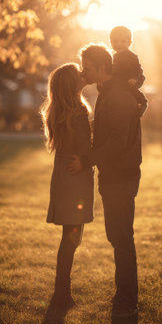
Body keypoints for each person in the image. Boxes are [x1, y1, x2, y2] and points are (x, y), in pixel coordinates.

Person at [69, 45, 142, 317]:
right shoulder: (109, 93)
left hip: (120, 177)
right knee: (118, 235)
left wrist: (87, 160)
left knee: (121, 237)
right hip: (114, 175)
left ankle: (127, 301)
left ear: (102, 67)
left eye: (87, 67)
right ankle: (124, 296)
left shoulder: (118, 96)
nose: (84, 72)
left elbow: (117, 141)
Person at [40, 63, 94, 310]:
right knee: (72, 238)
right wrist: (90, 157)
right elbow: (85, 148)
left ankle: (61, 292)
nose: (84, 75)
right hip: (75, 177)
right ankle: (62, 294)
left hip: (64, 176)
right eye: (79, 75)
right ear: (71, 85)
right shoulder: (78, 112)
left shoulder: (60, 110)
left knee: (70, 237)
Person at [110, 25, 148, 115]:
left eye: (123, 41)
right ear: (111, 42)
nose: (119, 44)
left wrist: (134, 78)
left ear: (129, 43)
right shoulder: (114, 56)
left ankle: (143, 104)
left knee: (134, 92)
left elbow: (137, 70)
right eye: (115, 41)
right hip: (119, 82)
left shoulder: (132, 56)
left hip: (129, 81)